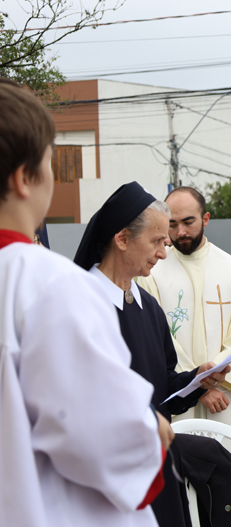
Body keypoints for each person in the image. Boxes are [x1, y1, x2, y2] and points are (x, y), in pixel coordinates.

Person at [0, 79, 169, 526]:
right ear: (23, 178)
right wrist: (149, 431)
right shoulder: (48, 284)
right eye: (50, 163)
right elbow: (101, 437)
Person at [73, 182, 231, 527]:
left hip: (158, 462)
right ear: (122, 239)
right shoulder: (79, 302)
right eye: (156, 242)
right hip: (110, 473)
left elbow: (161, 386)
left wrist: (197, 380)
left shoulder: (147, 306)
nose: (164, 253)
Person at [137, 187, 231, 442]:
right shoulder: (151, 273)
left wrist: (211, 380)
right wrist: (194, 385)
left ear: (205, 219)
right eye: (172, 224)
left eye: (188, 222)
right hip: (178, 398)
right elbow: (154, 337)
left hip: (226, 394)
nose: (180, 232)